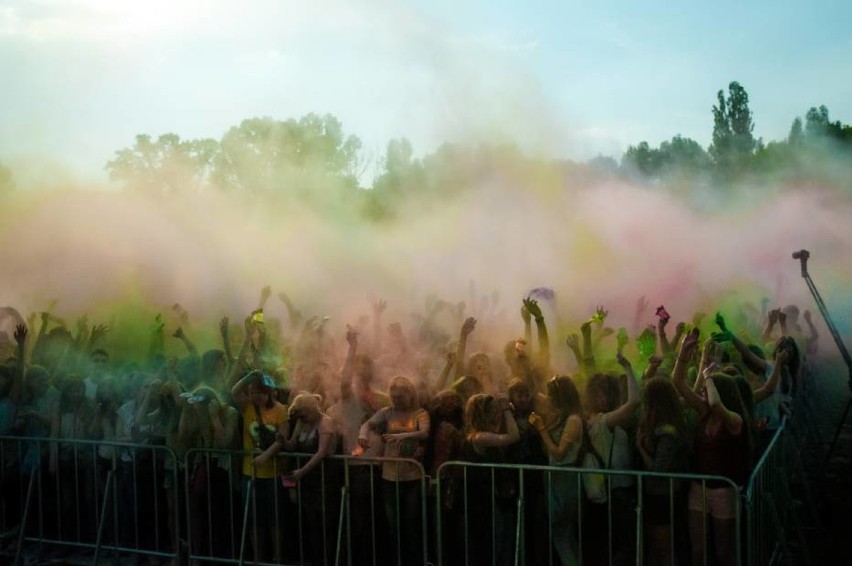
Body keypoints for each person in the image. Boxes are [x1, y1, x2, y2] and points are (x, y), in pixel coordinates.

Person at [673, 328, 751, 566]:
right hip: (699, 489)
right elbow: (678, 383)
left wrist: (707, 374)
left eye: (709, 389)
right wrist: (683, 356)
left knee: (722, 552)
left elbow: (717, 404)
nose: (704, 394)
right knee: (699, 551)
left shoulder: (734, 420)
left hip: (723, 492)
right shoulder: (705, 412)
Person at [359, 376, 429, 566]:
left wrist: (401, 436)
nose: (397, 400)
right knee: (393, 526)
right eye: (394, 397)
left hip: (412, 477)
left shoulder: (420, 413)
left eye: (401, 397)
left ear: (410, 395)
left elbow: (424, 432)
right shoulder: (387, 412)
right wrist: (362, 436)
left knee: (412, 525)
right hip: (390, 476)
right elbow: (368, 424)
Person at [231, 370, 289, 563]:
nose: (254, 396)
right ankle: (257, 558)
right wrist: (250, 376)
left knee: (275, 519)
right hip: (251, 473)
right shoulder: (247, 408)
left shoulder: (280, 410)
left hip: (273, 473)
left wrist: (265, 456)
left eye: (257, 392)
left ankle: (277, 557)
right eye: (251, 392)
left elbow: (281, 439)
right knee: (254, 520)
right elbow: (234, 391)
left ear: (268, 392)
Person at [529, 376, 583, 566]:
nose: (549, 399)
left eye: (552, 394)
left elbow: (559, 454)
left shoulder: (574, 420)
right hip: (556, 476)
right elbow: (549, 450)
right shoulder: (562, 417)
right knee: (564, 537)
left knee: (562, 535)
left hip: (565, 477)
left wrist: (541, 429)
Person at [636, 377, 690, 566]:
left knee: (663, 546)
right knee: (658, 546)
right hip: (662, 495)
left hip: (663, 495)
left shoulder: (667, 433)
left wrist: (641, 448)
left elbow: (658, 470)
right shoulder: (669, 423)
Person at [279, 393, 338, 566]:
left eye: (303, 413)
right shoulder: (301, 423)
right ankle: (315, 560)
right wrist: (282, 441)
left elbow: (321, 452)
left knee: (326, 525)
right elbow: (292, 446)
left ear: (311, 408)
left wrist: (301, 472)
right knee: (311, 524)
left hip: (324, 480)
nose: (302, 418)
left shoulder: (324, 422)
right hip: (307, 481)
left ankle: (329, 560)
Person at [461, 393, 520, 566]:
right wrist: (506, 409)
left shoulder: (483, 435)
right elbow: (514, 436)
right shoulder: (479, 437)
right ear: (483, 413)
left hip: (492, 499)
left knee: (500, 542)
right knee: (494, 542)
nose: (497, 414)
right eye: (493, 410)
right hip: (485, 501)